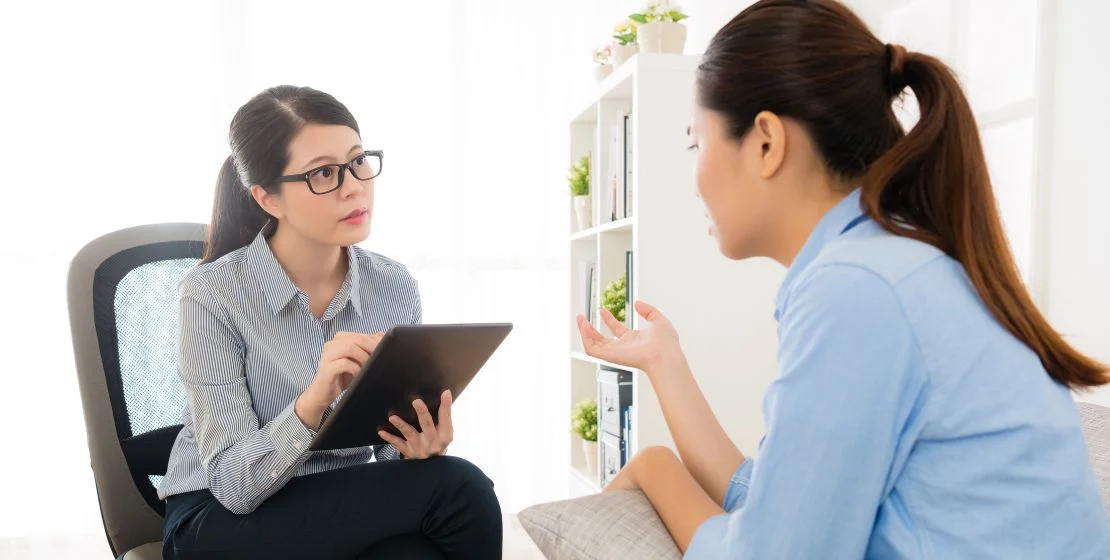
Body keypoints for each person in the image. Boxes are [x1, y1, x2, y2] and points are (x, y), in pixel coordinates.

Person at [576, 1, 1110, 558]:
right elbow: (789, 512)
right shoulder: (894, 265)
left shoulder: (858, 291)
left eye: (697, 143)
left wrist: (655, 468)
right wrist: (665, 362)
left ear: (766, 142)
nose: (694, 178)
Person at [157, 85, 502, 559]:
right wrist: (314, 401)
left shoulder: (393, 286)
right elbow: (234, 486)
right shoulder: (212, 294)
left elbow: (387, 453)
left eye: (358, 161)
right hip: (217, 518)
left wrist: (417, 446)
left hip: (333, 506)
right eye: (323, 173)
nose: (354, 186)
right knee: (461, 488)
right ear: (268, 198)